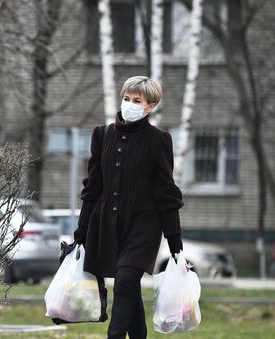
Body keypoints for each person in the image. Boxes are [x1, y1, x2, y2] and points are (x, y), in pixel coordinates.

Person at [74, 76, 184, 339]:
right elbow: (93, 186)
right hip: (108, 224)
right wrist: (82, 227)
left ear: (150, 106)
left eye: (137, 101)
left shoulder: (158, 140)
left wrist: (174, 239)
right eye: (126, 98)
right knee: (128, 287)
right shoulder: (103, 135)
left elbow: (166, 191)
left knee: (125, 281)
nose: (129, 104)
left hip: (143, 227)